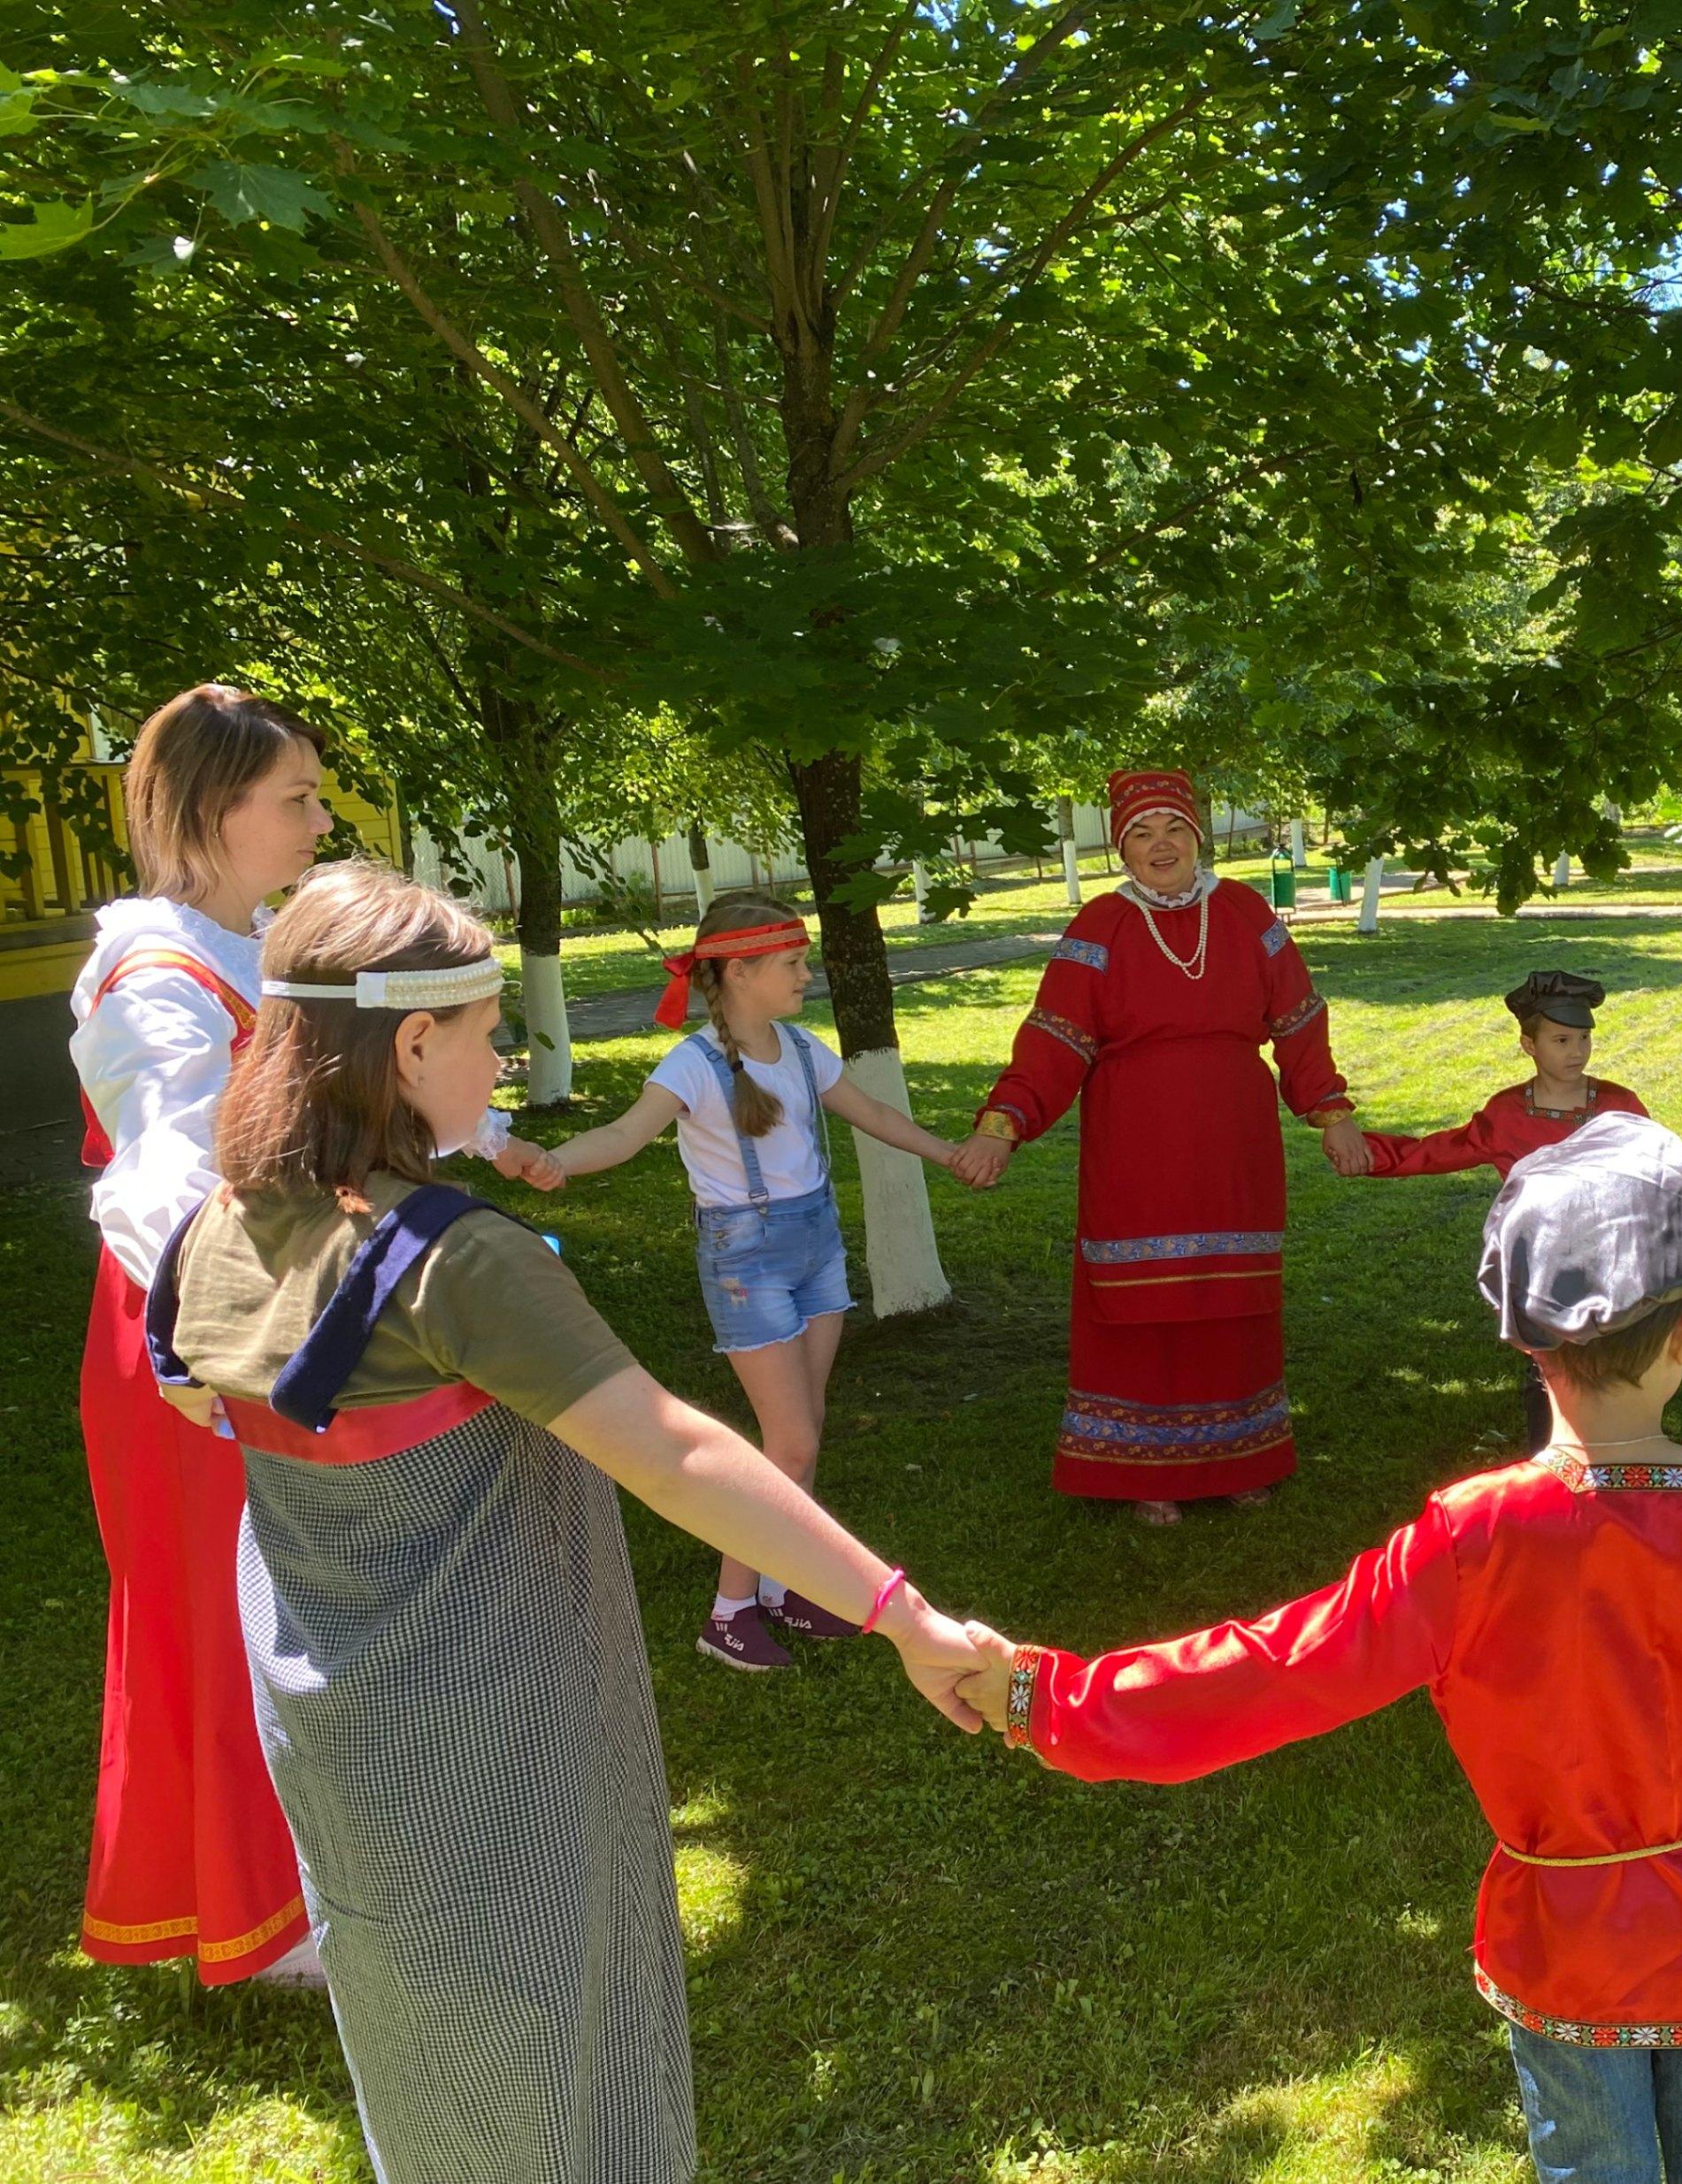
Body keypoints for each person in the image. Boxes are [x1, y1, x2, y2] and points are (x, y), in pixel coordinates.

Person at [963, 1114, 1682, 2184]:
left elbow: (1276, 1668)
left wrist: (1044, 1697)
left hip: (1567, 1936)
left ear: (1526, 1333)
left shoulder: (1471, 1538)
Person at [144, 861, 1003, 2183]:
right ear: (412, 1041)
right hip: (506, 1725)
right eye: (492, 1032)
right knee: (564, 2047)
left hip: (336, 1737)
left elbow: (212, 1408)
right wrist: (898, 1613)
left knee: (417, 2036)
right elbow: (671, 1451)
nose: (507, 1057)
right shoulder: (452, 1259)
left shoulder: (211, 1235)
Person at [66, 684, 554, 1990]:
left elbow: (345, 1083)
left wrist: (484, 1134)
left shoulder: (262, 939)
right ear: (210, 809)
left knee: (292, 1597)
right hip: (199, 1328)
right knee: (226, 1607)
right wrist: (202, 1352)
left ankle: (310, 1880)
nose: (319, 815)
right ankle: (265, 1921)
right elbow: (152, 1182)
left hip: (273, 1300)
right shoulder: (151, 975)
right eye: (295, 796)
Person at [542, 892, 988, 1671]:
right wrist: (552, 1161)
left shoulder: (801, 1048)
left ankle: (784, 1585)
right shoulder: (694, 1064)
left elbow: (874, 1115)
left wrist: (945, 1150)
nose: (805, 975)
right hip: (746, 1261)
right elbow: (622, 1134)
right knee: (790, 1443)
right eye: (792, 963)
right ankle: (728, 1610)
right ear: (741, 970)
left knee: (802, 1434)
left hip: (816, 1246)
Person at [956, 770, 1369, 1526]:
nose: (1160, 845)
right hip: (1136, 1140)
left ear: (1197, 835)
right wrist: (1003, 1122)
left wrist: (1330, 1109)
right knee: (1141, 1302)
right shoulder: (1100, 924)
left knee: (1229, 1300)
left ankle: (1241, 1456)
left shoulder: (1244, 911)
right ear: (1121, 848)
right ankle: (1141, 1470)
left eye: (1172, 829)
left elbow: (1299, 1018)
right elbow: (1054, 1038)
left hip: (1233, 1139)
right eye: (1141, 834)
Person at [1356, 969, 1651, 1450]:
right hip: (1541, 1267)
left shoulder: (1619, 1105)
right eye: (1560, 1039)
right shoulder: (1508, 1113)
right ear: (1528, 1045)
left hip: (1613, 1262)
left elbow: (1665, 1176)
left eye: (1583, 1038)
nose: (1576, 1051)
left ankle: (1621, 1462)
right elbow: (1438, 1151)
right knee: (1549, 1371)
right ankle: (1552, 1464)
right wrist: (1365, 1154)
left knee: (1616, 1370)